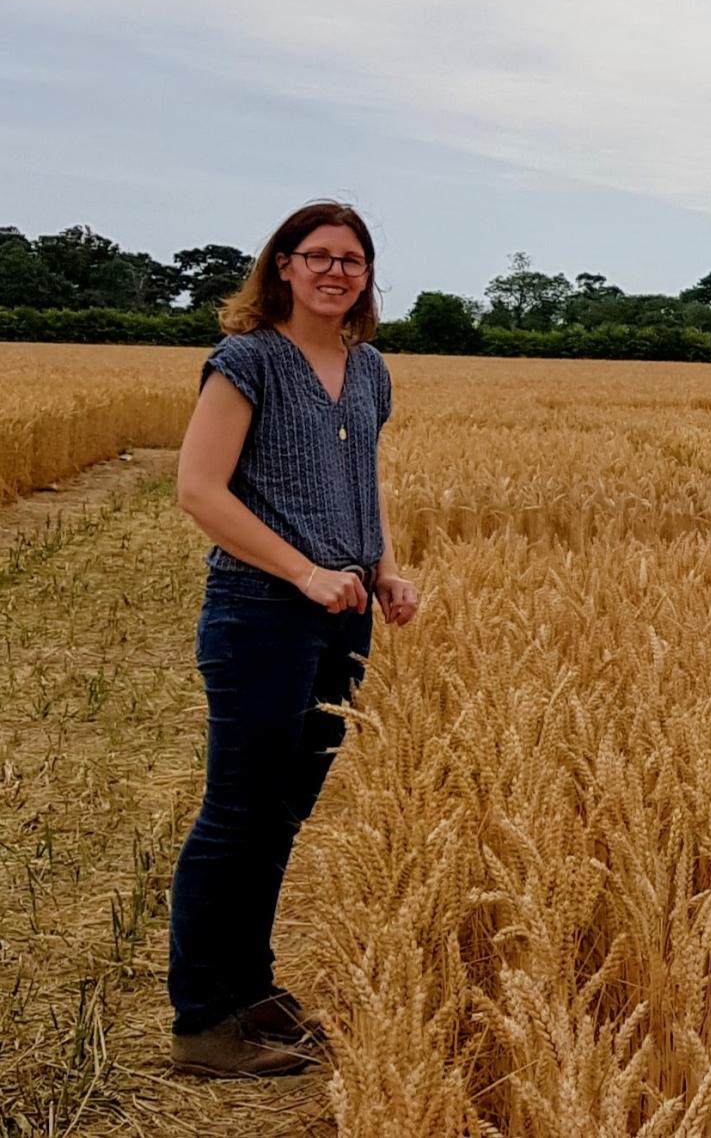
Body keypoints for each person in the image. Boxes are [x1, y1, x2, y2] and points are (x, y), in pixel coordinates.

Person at [168, 200, 418, 1077]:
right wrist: (304, 572)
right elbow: (199, 490)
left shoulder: (371, 368)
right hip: (260, 613)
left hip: (343, 617)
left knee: (285, 809)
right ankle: (203, 1019)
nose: (335, 271)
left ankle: (251, 988)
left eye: (352, 259)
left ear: (366, 275)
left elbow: (364, 480)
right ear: (282, 265)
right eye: (317, 255)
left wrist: (382, 566)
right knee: (236, 814)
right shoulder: (247, 362)